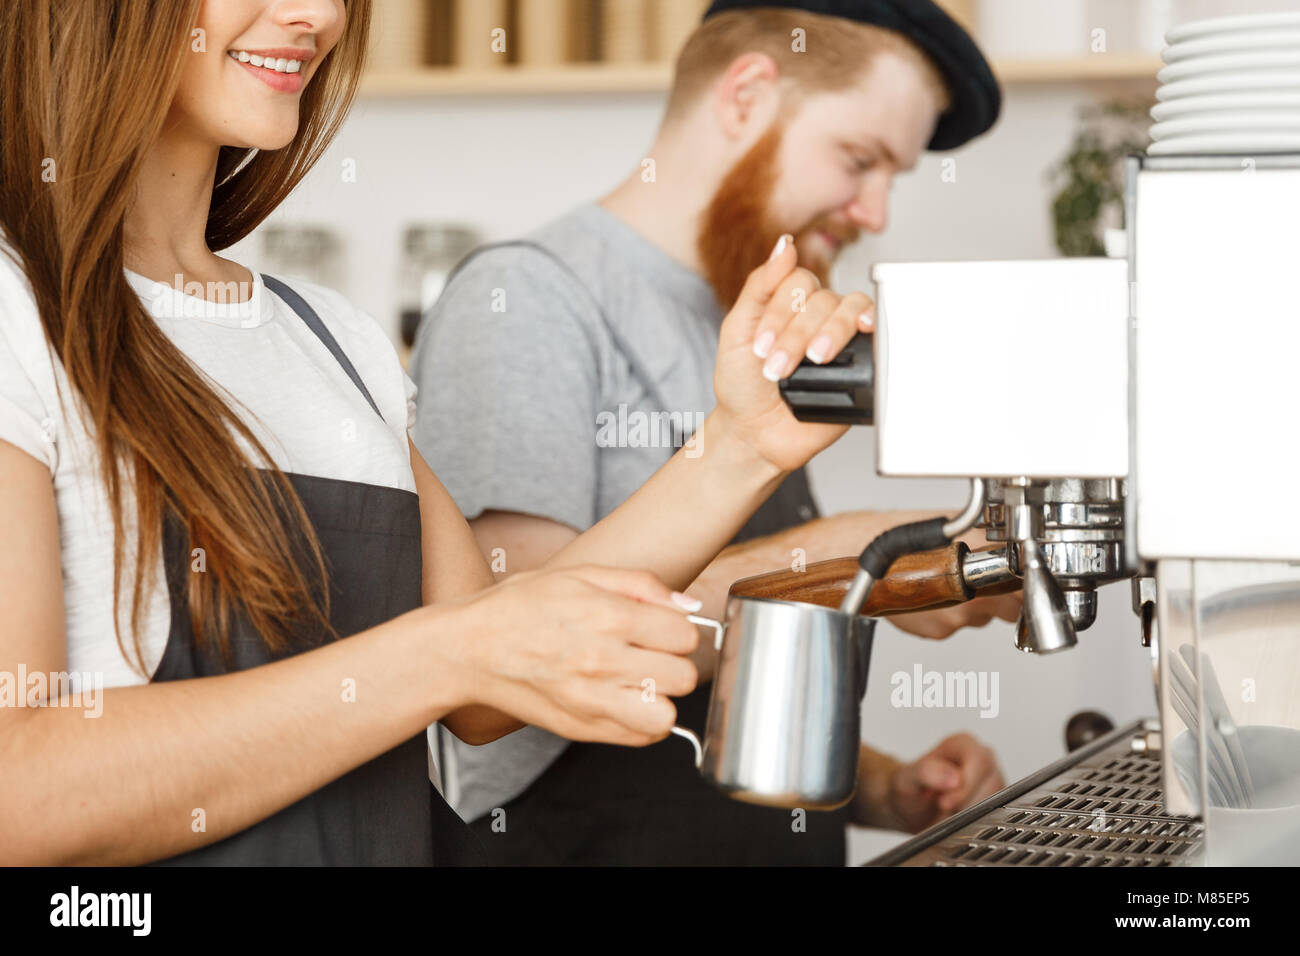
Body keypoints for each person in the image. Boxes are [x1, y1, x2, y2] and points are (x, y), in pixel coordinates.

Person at [0, 0, 868, 865]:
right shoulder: (14, 313)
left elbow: (491, 676)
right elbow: (20, 790)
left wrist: (742, 445)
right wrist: (446, 655)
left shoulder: (331, 341)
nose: (317, 15)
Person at [411, 0, 1019, 865]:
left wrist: (886, 786)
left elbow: (717, 690)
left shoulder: (749, 316)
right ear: (746, 94)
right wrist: (853, 559)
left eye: (898, 176)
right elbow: (503, 665)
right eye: (860, 159)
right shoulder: (528, 301)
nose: (877, 210)